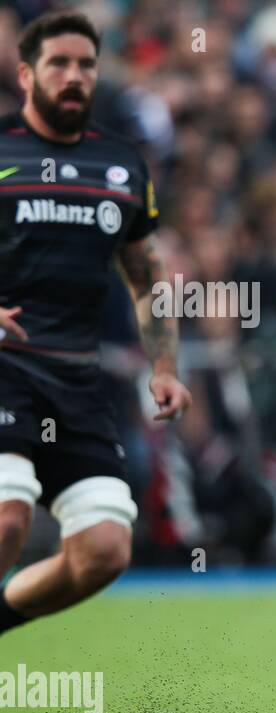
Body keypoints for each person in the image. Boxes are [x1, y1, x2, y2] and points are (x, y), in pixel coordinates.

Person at [0, 11, 191, 640]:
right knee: (8, 516)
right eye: (59, 63)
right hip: (5, 369)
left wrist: (164, 368)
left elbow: (145, 274)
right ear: (26, 74)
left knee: (106, 550)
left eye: (86, 63)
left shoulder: (122, 165)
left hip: (76, 382)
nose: (74, 75)